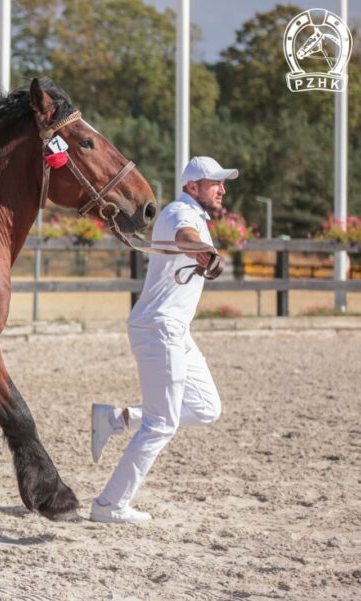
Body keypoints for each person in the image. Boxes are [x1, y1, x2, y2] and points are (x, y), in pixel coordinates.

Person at [89, 156, 238, 524]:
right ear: (192, 187)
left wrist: (205, 250)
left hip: (174, 330)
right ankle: (109, 506)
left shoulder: (193, 215)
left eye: (222, 182)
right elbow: (185, 238)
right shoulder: (179, 214)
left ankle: (119, 418)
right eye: (214, 182)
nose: (222, 188)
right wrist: (206, 252)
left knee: (206, 408)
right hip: (159, 328)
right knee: (161, 425)